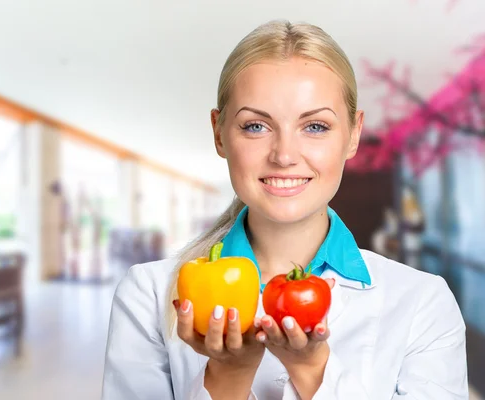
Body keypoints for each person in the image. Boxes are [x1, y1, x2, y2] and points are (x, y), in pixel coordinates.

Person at [101, 20, 468, 400]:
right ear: (218, 133)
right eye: (256, 126)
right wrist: (229, 377)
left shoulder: (423, 302)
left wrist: (313, 370)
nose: (285, 156)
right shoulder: (148, 295)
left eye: (316, 126)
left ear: (354, 135)